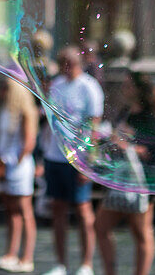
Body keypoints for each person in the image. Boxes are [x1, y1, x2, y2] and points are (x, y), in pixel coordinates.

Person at [42, 46, 103, 275]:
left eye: (70, 63)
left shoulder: (89, 87)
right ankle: (61, 264)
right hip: (54, 155)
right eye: (63, 63)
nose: (66, 68)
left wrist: (87, 161)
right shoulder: (57, 84)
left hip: (77, 157)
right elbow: (50, 122)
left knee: (83, 209)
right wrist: (43, 153)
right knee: (58, 209)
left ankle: (86, 264)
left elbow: (93, 127)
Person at [95, 72, 155, 275]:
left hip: (144, 182)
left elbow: (152, 151)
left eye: (128, 85)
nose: (124, 88)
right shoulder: (125, 112)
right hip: (123, 179)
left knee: (141, 232)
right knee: (100, 226)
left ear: (139, 90)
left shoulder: (148, 117)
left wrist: (125, 145)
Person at [0, 79, 37, 273]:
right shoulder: (6, 111)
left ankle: (27, 256)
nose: (1, 91)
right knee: (11, 212)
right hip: (5, 163)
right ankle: (11, 253)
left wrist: (11, 162)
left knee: (24, 211)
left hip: (18, 166)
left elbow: (28, 143)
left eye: (5, 88)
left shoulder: (25, 112)